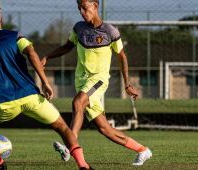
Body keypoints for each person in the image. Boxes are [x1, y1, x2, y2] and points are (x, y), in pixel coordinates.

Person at [0, 4, 92, 170]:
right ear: (1, 19)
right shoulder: (15, 36)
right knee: (63, 127)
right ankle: (83, 166)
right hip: (31, 96)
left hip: (4, 102)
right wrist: (45, 82)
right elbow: (32, 53)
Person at [41, 0, 152, 166]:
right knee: (104, 128)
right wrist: (47, 57)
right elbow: (67, 46)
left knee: (78, 102)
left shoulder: (110, 31)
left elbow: (122, 57)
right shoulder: (78, 28)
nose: (82, 11)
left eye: (85, 7)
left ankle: (69, 146)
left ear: (95, 5)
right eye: (79, 8)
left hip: (98, 80)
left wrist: (127, 83)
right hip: (81, 80)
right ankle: (143, 150)